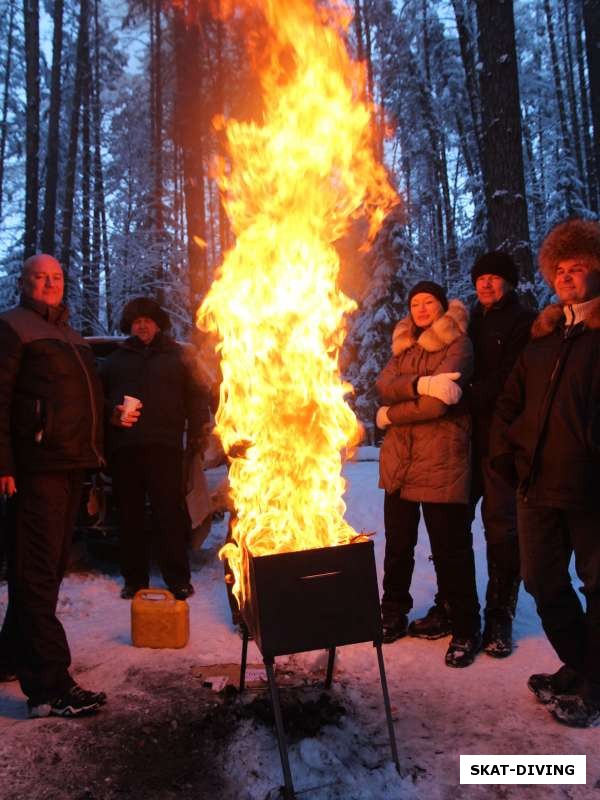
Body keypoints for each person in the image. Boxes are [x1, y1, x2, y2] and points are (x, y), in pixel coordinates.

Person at [490, 218, 600, 727]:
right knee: (541, 582)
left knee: (598, 586)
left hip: (590, 490)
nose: (567, 276)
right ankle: (584, 665)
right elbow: (507, 405)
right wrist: (509, 458)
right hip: (536, 487)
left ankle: (593, 683)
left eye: (578, 268)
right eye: (560, 268)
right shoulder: (543, 338)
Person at [408, 253, 535, 658]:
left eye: (495, 278)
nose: (487, 285)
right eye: (482, 278)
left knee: (500, 528)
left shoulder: (523, 322)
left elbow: (513, 378)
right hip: (462, 439)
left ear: (509, 283)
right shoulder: (469, 321)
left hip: (498, 439)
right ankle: (451, 603)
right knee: (452, 526)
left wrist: (463, 397)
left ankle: (499, 616)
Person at [0, 253, 106, 718]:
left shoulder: (72, 336)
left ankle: (7, 657)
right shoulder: (12, 327)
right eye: (41, 277)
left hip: (69, 467)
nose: (50, 283)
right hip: (34, 468)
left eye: (57, 277)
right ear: (25, 283)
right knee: (37, 572)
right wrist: (3, 463)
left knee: (44, 570)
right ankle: (48, 685)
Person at [376, 281, 481, 667]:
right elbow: (383, 385)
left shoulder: (459, 343)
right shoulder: (404, 347)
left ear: (441, 306)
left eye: (428, 302)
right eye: (415, 303)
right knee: (398, 544)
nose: (421, 309)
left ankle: (467, 626)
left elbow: (440, 405)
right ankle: (393, 611)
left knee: (449, 548)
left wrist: (391, 415)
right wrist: (420, 384)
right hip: (401, 460)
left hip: (441, 458)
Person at [101, 297, 210, 600]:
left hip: (166, 447)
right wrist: (112, 412)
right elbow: (98, 400)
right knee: (130, 517)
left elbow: (197, 396)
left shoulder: (177, 357)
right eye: (136, 321)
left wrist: (200, 430)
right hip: (125, 450)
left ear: (158, 323)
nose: (142, 325)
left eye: (148, 319)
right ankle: (134, 580)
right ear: (129, 326)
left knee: (170, 515)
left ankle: (178, 579)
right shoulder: (115, 361)